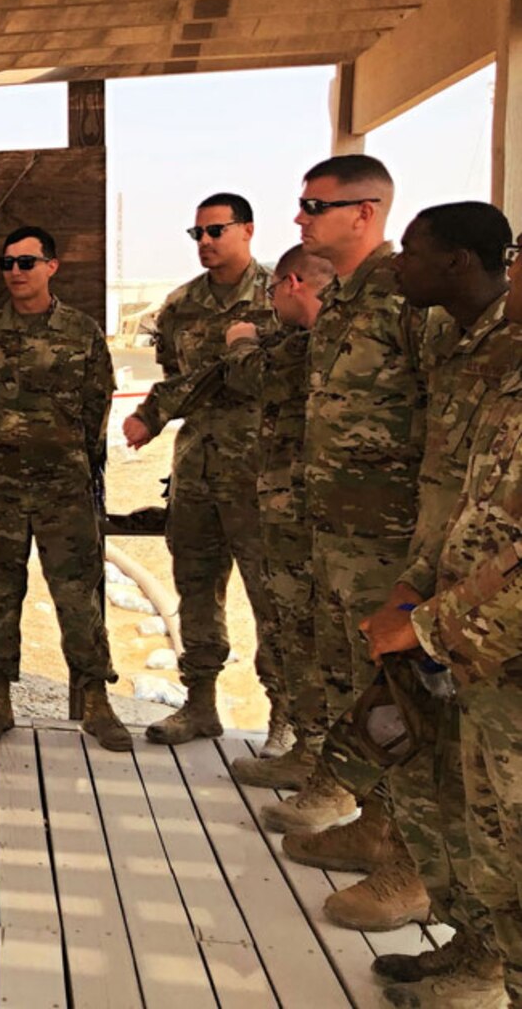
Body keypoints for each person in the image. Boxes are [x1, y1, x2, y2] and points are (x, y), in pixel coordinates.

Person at [332, 206, 514, 1003]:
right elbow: (462, 493)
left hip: (489, 638)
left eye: (414, 252)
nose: (398, 266)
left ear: (457, 262)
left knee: (507, 825)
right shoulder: (472, 349)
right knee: (465, 808)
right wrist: (413, 585)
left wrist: (426, 624)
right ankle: (476, 950)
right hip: (447, 612)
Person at [258, 155, 437, 933]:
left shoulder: (408, 300)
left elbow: (448, 420)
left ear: (364, 212)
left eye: (313, 205)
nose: (298, 219)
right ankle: (373, 821)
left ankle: (412, 869)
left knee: (405, 704)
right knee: (352, 691)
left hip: (395, 544)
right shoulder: (342, 303)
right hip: (338, 537)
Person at [124, 193, 281, 747]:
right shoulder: (180, 306)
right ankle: (200, 704)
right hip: (197, 473)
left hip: (263, 478)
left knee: (274, 598)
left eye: (217, 231)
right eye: (198, 234)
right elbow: (174, 380)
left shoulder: (279, 296)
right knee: (195, 590)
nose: (207, 242)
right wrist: (151, 414)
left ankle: (286, 720)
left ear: (248, 230)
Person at [0, 227, 131, 752]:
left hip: (65, 489)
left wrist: (72, 458)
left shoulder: (81, 332)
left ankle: (95, 700)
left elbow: (96, 407)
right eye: (8, 262)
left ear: (52, 266)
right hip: (2, 490)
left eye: (28, 261)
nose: (17, 271)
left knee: (78, 596)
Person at [223, 245, 334, 791]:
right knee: (297, 631)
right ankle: (312, 754)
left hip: (321, 517)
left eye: (274, 294)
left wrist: (241, 342)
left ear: (291, 284)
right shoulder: (309, 337)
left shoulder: (321, 339)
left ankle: (326, 767)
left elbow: (256, 377)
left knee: (322, 639)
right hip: (294, 511)